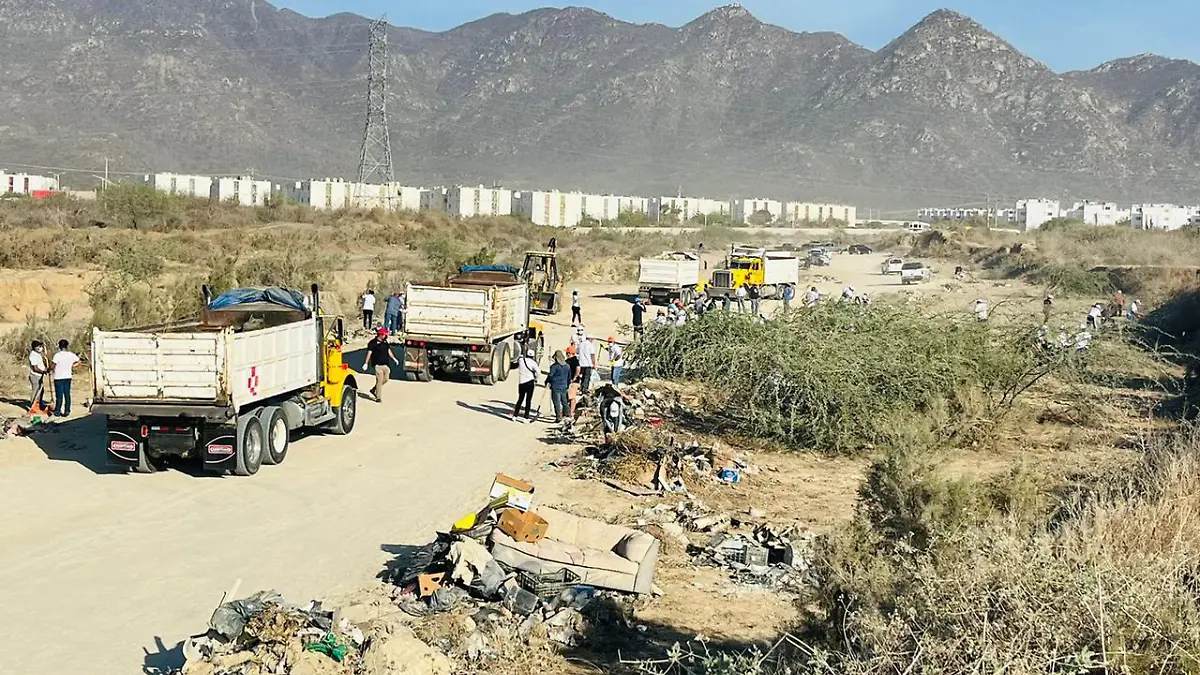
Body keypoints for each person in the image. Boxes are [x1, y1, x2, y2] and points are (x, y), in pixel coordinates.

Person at [366, 328, 399, 403]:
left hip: (385, 365)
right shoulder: (372, 343)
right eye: (384, 335)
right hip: (378, 365)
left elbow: (389, 351)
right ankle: (378, 397)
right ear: (380, 335)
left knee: (386, 379)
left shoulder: (385, 342)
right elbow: (369, 353)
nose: (386, 336)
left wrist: (394, 358)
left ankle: (374, 389)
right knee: (379, 380)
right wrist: (366, 363)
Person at [51, 339, 80, 417]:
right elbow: (78, 361)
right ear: (67, 346)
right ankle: (67, 410)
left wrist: (49, 369)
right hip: (67, 377)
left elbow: (53, 365)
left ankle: (57, 411)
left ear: (59, 346)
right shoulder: (71, 355)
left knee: (59, 395)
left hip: (58, 377)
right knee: (67, 394)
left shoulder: (57, 355)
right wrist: (72, 366)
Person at [512, 348, 540, 423]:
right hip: (530, 382)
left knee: (520, 399)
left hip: (521, 382)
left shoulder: (521, 360)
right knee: (528, 400)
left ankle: (515, 416)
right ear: (533, 356)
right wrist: (536, 379)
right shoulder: (533, 363)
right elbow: (538, 372)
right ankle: (526, 417)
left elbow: (515, 364)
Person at [546, 350, 572, 424]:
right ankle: (568, 414)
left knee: (557, 402)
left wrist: (547, 382)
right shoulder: (567, 366)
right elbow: (569, 377)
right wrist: (567, 385)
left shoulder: (554, 367)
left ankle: (558, 417)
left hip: (556, 386)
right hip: (564, 386)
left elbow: (550, 376)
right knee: (564, 401)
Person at [27, 340, 48, 412]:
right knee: (36, 390)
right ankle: (32, 405)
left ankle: (39, 404)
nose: (40, 347)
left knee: (41, 390)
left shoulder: (38, 354)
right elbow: (35, 368)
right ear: (35, 347)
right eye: (38, 346)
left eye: (40, 346)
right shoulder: (32, 355)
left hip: (40, 375)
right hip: (35, 376)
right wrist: (43, 371)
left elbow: (44, 356)